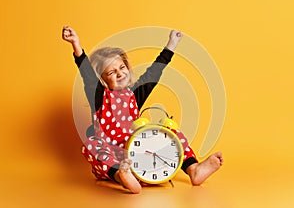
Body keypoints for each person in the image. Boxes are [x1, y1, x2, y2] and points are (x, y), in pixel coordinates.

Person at [62, 26, 224, 194]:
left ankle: (193, 169)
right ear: (102, 79)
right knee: (90, 144)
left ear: (127, 67)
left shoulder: (133, 95)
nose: (119, 73)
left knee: (170, 131)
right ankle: (121, 176)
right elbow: (87, 74)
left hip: (137, 155)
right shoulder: (99, 97)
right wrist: (76, 44)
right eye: (111, 72)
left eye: (122, 67)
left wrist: (171, 45)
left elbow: (154, 72)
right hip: (109, 160)